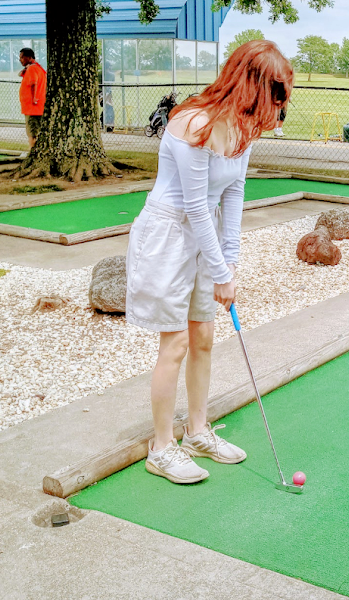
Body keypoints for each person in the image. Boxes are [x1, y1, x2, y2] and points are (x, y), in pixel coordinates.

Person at [126, 40, 294, 484]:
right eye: (274, 94)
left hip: (206, 234)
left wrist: (230, 263)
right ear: (250, 85)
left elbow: (233, 194)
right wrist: (220, 273)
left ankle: (198, 432)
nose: (277, 107)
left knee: (203, 336)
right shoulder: (192, 123)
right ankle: (161, 448)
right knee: (176, 342)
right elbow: (196, 205)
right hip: (168, 233)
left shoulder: (244, 128)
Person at [18, 48, 47, 147]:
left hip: (32, 108)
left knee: (32, 133)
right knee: (36, 131)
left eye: (22, 57)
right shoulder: (37, 68)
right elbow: (21, 74)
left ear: (29, 57)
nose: (20, 60)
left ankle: (33, 151)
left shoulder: (32, 69)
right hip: (37, 107)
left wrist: (34, 98)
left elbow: (33, 83)